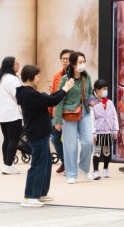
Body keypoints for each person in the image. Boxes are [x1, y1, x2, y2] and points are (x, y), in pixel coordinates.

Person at [16, 64, 75, 207]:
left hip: (40, 132)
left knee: (46, 163)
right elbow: (51, 101)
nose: (38, 78)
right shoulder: (29, 94)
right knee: (38, 164)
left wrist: (61, 90)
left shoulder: (28, 93)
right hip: (37, 133)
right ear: (30, 78)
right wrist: (65, 89)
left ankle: (40, 193)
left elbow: (48, 98)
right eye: (36, 76)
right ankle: (30, 196)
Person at [53, 51, 94, 184]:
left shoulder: (86, 77)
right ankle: (71, 173)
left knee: (88, 142)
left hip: (85, 112)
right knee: (70, 145)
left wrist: (92, 101)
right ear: (73, 64)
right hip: (69, 113)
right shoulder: (65, 79)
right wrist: (57, 120)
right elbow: (59, 99)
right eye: (80, 62)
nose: (83, 64)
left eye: (84, 62)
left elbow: (90, 92)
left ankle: (83, 168)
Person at [0, 56, 23, 175]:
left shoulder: (0, 78)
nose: (18, 66)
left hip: (2, 114)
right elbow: (19, 95)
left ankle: (7, 164)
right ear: (11, 66)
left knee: (7, 138)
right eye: (16, 64)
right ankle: (8, 165)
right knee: (13, 140)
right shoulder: (13, 79)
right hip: (13, 113)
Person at [90, 78, 119, 180]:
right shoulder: (93, 102)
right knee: (97, 152)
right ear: (97, 90)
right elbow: (92, 119)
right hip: (98, 132)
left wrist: (115, 130)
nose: (106, 91)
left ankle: (106, 169)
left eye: (106, 89)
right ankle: (95, 171)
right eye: (103, 89)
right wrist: (93, 132)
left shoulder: (110, 102)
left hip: (108, 132)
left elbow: (114, 116)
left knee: (107, 151)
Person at [49, 49, 71, 174]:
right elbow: (53, 94)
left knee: (69, 140)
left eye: (68, 59)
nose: (65, 61)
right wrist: (50, 112)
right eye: (63, 59)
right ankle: (65, 161)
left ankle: (70, 165)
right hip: (57, 113)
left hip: (71, 113)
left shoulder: (77, 75)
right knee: (54, 138)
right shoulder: (57, 75)